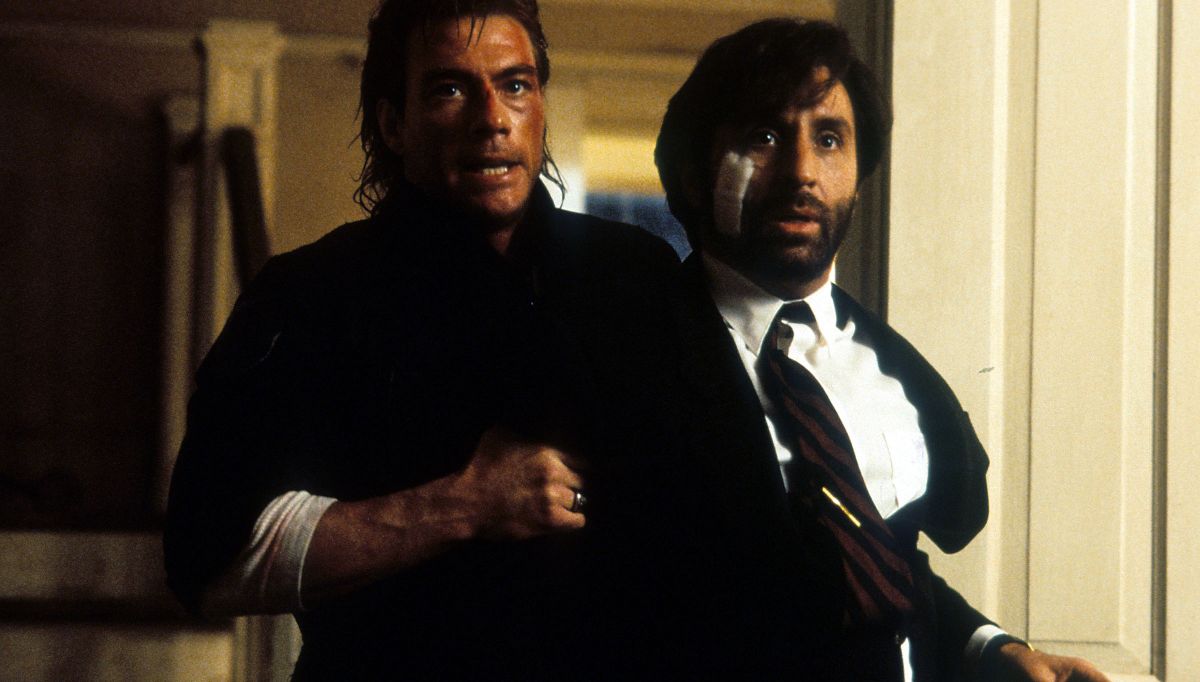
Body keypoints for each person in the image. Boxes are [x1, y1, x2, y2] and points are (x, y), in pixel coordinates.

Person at [163, 0, 683, 678]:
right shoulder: (313, 292)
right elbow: (209, 559)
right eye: (449, 90)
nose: (492, 119)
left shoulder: (635, 270)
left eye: (515, 84)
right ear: (394, 124)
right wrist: (466, 504)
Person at [654, 18, 1110, 682]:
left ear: (858, 177)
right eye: (765, 137)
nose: (802, 172)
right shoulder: (633, 354)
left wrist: (992, 649)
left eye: (829, 139)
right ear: (695, 174)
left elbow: (876, 561)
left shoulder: (887, 364)